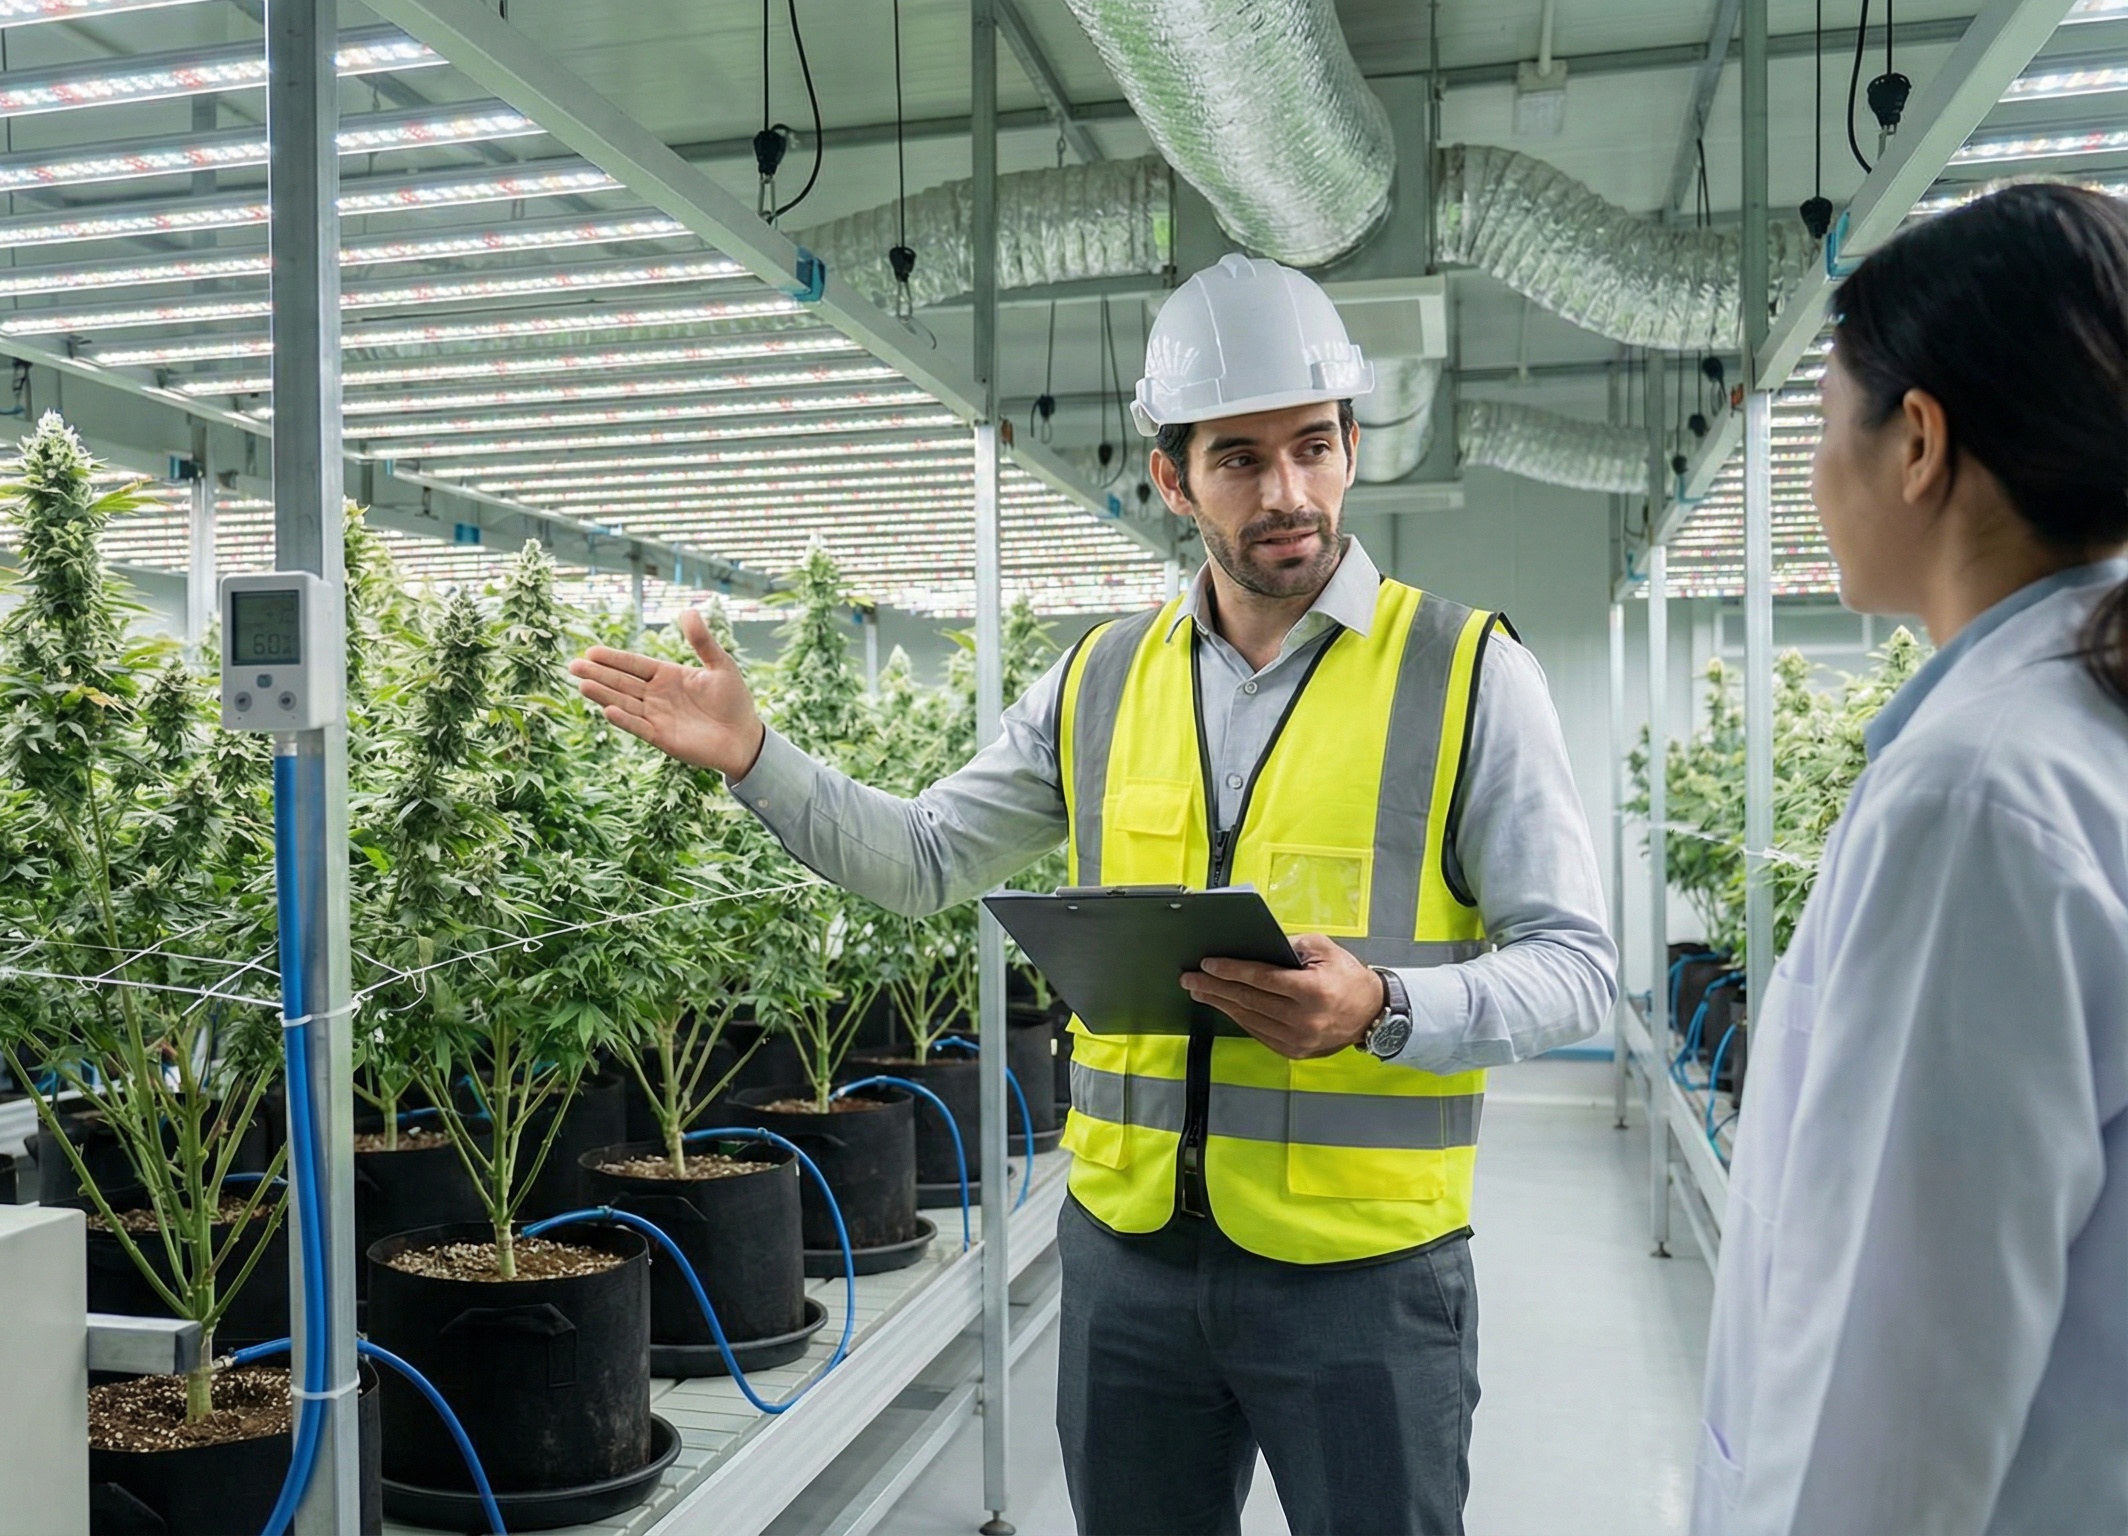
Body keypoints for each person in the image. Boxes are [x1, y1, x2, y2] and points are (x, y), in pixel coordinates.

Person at [571, 252, 1616, 1535]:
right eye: (1239, 457)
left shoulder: (1466, 673)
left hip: (1365, 1283)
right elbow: (922, 859)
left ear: (1353, 444)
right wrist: (755, 757)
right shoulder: (1098, 680)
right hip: (1125, 1269)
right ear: (1174, 477)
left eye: (1312, 446)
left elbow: (1573, 964)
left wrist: (1383, 1005)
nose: (1286, 492)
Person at [1691, 183, 2128, 1535]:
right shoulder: (2075, 733)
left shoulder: (1978, 798)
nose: (1815, 475)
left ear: (1919, 441)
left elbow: (1884, 1394)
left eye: (1825, 424)